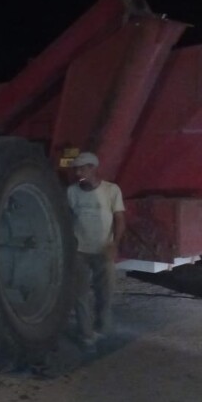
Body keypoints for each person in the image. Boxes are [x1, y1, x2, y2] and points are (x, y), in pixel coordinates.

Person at [67, 151, 125, 352]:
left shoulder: (111, 190)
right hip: (79, 251)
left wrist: (115, 243)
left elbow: (119, 219)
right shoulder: (72, 192)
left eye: (82, 169)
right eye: (76, 170)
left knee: (105, 293)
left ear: (93, 168)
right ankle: (86, 334)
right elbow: (68, 218)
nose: (78, 173)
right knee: (80, 293)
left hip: (103, 250)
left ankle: (102, 328)